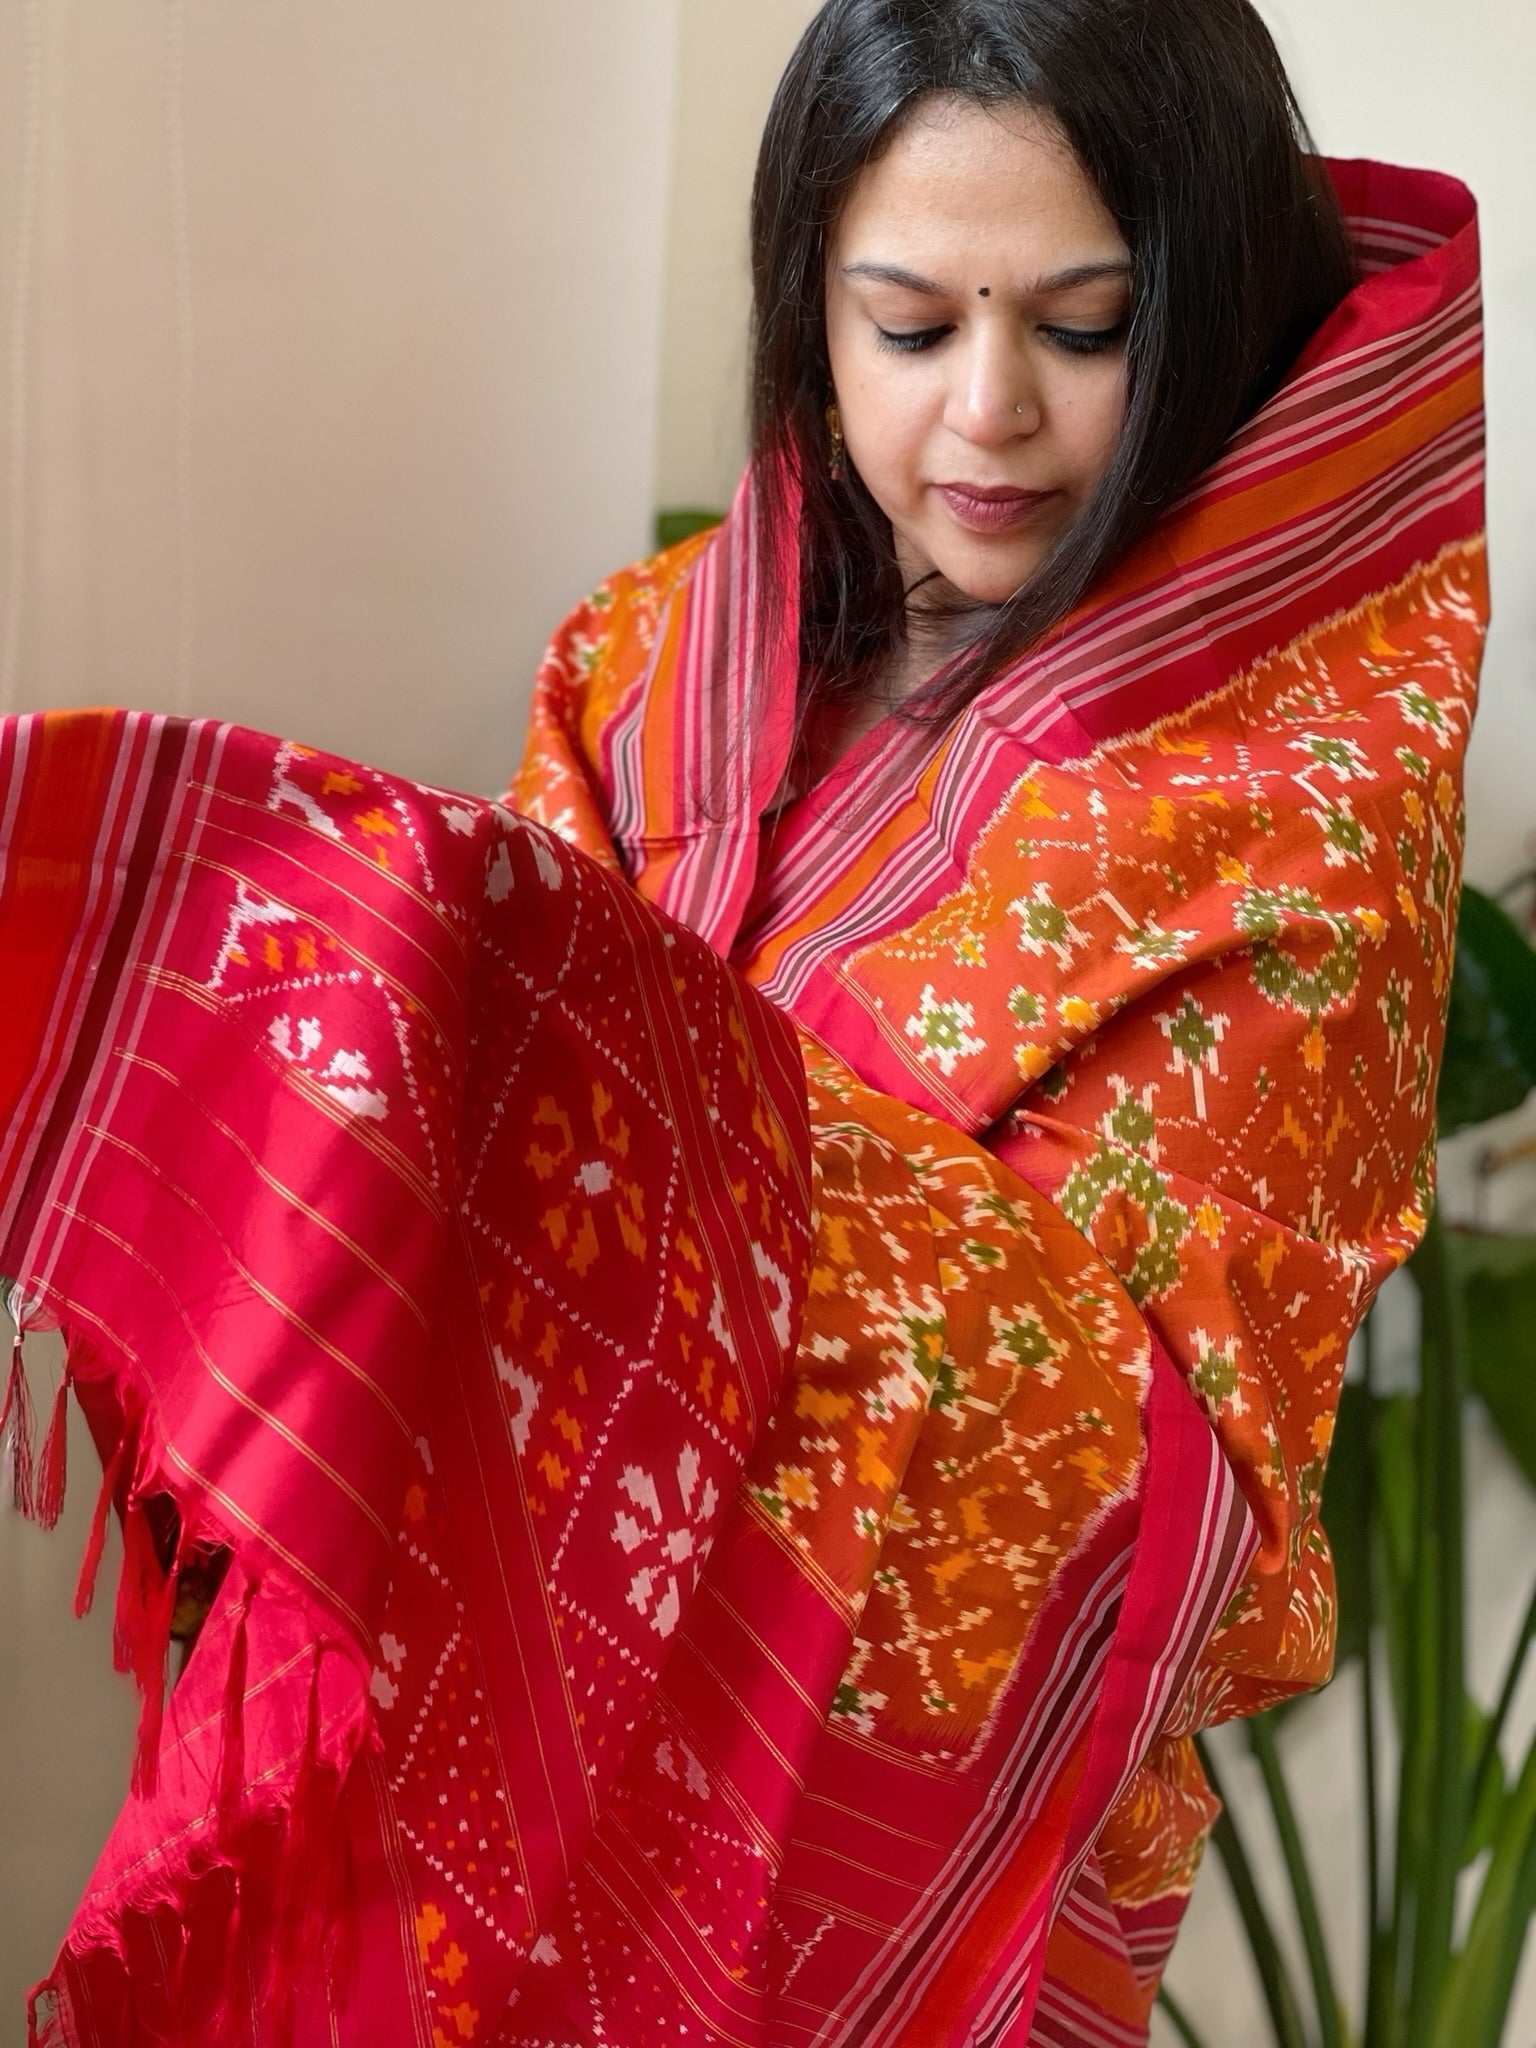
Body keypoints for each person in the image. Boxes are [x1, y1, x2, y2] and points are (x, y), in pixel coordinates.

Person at [0, 1, 1485, 2043]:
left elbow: (1170, 1483)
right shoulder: (649, 662)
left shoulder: (1296, 814)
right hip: (487, 1737)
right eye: (906, 323)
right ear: (810, 309)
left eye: (1081, 325)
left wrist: (608, 1095)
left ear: (1209, 305)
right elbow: (442, 1201)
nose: (989, 415)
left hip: (924, 1864)